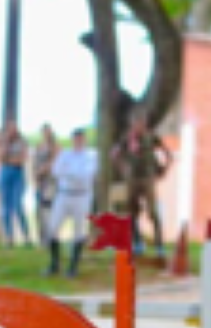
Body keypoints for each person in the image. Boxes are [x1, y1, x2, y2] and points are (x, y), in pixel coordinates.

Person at [110, 107, 172, 259]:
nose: (137, 125)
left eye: (140, 122)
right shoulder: (128, 138)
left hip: (147, 178)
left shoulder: (151, 137)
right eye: (135, 122)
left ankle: (159, 246)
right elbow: (114, 154)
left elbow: (167, 153)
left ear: (144, 123)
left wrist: (164, 169)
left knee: (152, 211)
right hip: (133, 179)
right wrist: (123, 169)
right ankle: (137, 242)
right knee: (132, 212)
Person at [46, 128, 98, 277]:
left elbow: (86, 175)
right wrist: (71, 174)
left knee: (79, 230)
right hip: (64, 194)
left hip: (82, 196)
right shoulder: (65, 154)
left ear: (84, 140)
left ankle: (73, 267)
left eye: (81, 139)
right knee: (53, 227)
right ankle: (54, 264)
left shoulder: (91, 155)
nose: (78, 142)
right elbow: (56, 171)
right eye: (76, 139)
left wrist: (68, 173)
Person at [0, 120, 31, 248]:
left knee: (18, 206)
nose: (12, 131)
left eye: (14, 128)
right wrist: (6, 145)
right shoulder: (3, 141)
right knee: (6, 207)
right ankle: (9, 238)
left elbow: (22, 159)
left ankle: (26, 237)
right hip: (5, 173)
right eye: (10, 128)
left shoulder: (22, 142)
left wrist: (10, 160)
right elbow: (0, 156)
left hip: (18, 174)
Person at [32, 124, 59, 244]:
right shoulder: (39, 146)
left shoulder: (55, 147)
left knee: (49, 209)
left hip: (50, 182)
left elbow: (55, 161)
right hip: (40, 182)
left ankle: (51, 237)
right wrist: (36, 176)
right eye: (43, 131)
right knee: (40, 211)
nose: (45, 134)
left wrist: (43, 169)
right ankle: (42, 238)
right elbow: (34, 163)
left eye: (47, 131)